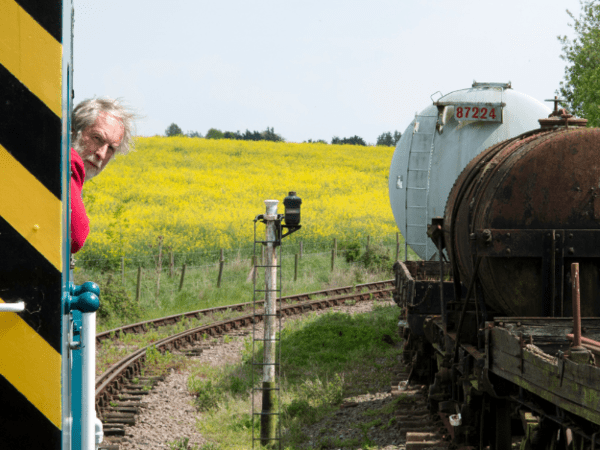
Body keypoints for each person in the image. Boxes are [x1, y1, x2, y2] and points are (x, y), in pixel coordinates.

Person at [70, 98, 137, 253]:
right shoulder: (66, 165)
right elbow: (75, 237)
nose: (101, 154)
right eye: (97, 138)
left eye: (111, 149)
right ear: (73, 131)